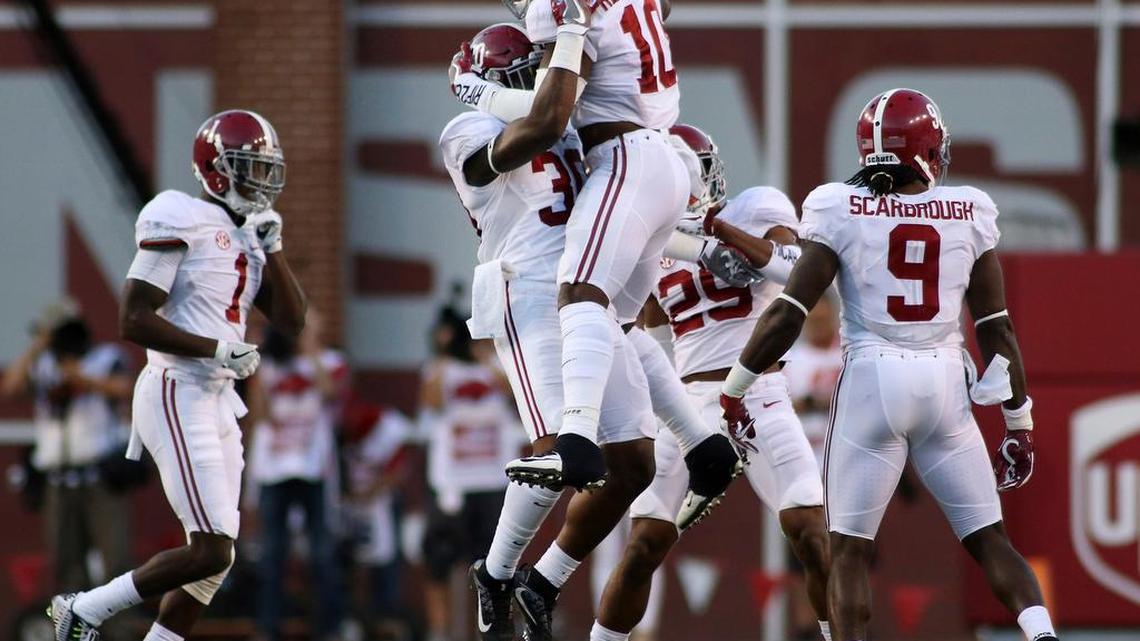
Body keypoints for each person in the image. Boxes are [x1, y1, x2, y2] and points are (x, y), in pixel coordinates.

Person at [718, 88, 1058, 641]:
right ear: (927, 149)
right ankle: (1042, 634)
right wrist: (1018, 422)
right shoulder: (969, 210)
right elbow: (997, 328)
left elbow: (788, 312)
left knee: (848, 551)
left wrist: (735, 388)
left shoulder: (838, 206)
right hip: (945, 379)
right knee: (989, 538)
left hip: (872, 378)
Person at [443, 22, 744, 641]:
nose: (543, 82)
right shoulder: (469, 130)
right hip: (526, 287)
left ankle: (541, 578)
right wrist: (490, 93)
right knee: (563, 444)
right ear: (492, 84)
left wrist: (693, 247)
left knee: (633, 464)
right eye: (524, 73)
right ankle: (496, 572)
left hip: (585, 283)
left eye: (540, 69)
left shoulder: (575, 123)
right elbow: (538, 127)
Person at [50, 109, 307, 641]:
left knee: (216, 561)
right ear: (216, 170)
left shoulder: (249, 232)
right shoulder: (179, 214)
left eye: (265, 168)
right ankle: (85, 608)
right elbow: (133, 317)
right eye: (249, 167)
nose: (261, 180)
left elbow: (292, 319)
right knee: (211, 547)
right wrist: (216, 348)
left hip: (217, 398)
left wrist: (274, 251)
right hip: (175, 390)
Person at [594, 124, 832, 641]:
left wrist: (717, 232)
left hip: (758, 393)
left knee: (814, 534)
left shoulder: (755, 207)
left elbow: (795, 269)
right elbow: (644, 324)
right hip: (687, 404)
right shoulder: (656, 239)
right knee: (643, 546)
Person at [1, 306, 134, 596]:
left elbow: (124, 389)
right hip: (58, 477)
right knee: (66, 562)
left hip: (99, 474)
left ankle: (118, 631)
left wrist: (80, 378)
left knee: (114, 560)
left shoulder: (105, 358)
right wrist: (39, 346)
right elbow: (10, 387)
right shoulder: (42, 364)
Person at [418, 307, 519, 641]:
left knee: (494, 565)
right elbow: (431, 401)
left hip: (491, 481)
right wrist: (447, 354)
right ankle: (440, 631)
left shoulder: (499, 366)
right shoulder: (439, 369)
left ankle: (490, 631)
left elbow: (513, 394)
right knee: (439, 562)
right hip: (451, 484)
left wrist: (487, 357)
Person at [248, 310, 347, 641]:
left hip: (313, 468)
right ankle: (268, 626)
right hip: (274, 469)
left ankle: (328, 627)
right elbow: (259, 414)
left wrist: (309, 348)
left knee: (321, 552)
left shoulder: (328, 360)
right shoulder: (270, 364)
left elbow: (331, 393)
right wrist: (261, 359)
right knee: (272, 553)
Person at [782, 292, 842, 468]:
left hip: (844, 452)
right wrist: (811, 402)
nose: (818, 327)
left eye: (822, 320)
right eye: (814, 321)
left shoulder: (849, 354)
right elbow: (781, 407)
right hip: (806, 454)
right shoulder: (790, 360)